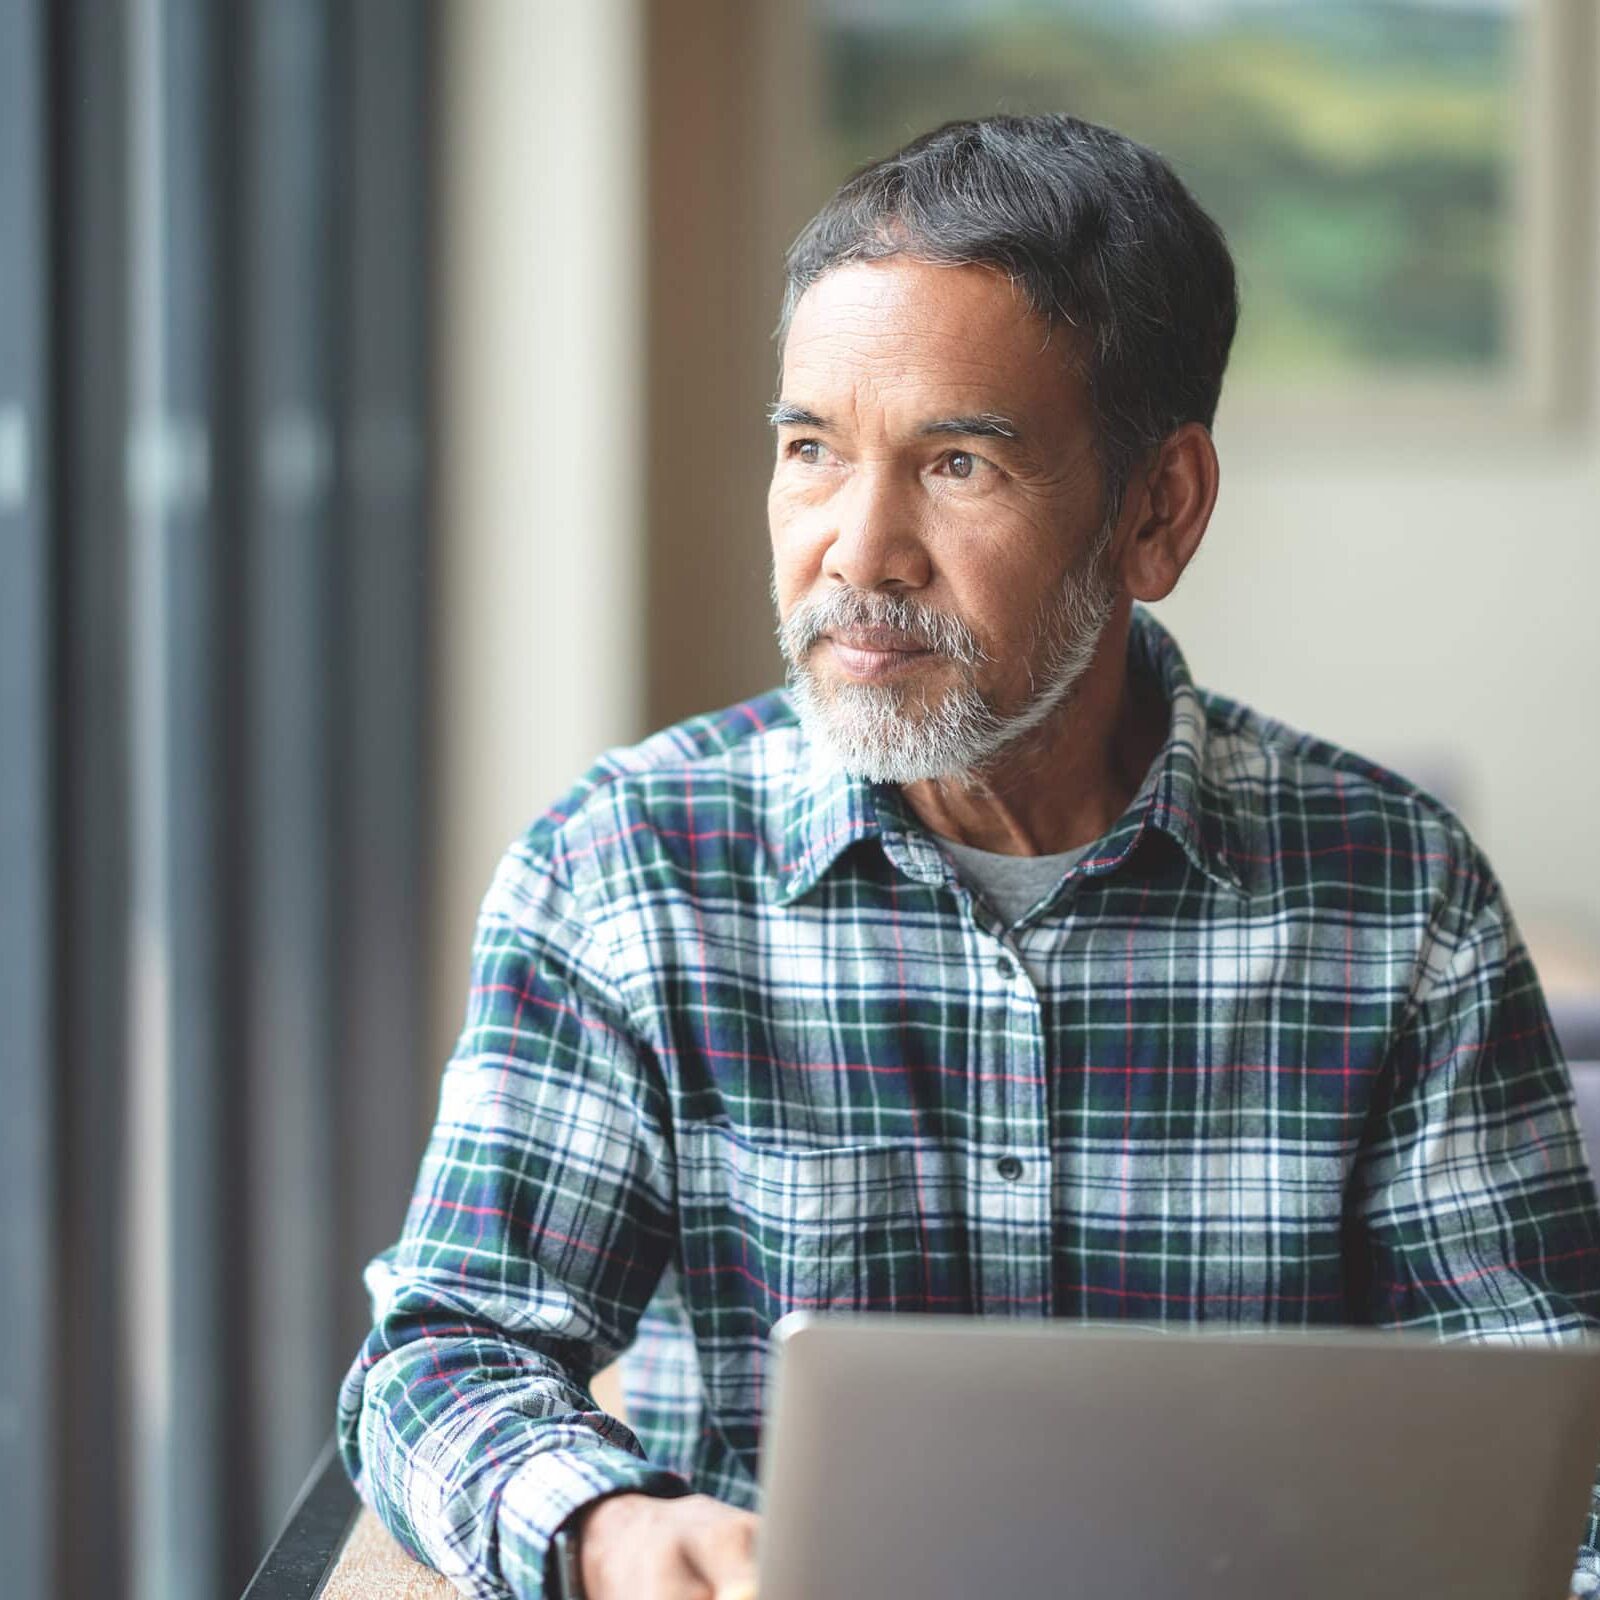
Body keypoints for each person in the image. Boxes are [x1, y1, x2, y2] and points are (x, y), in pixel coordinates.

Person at [337, 113, 1600, 1600]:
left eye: (957, 463)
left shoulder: (1401, 896)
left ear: (1158, 511)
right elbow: (447, 1355)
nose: (857, 550)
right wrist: (611, 1532)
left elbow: (1553, 1449)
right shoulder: (625, 869)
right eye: (811, 450)